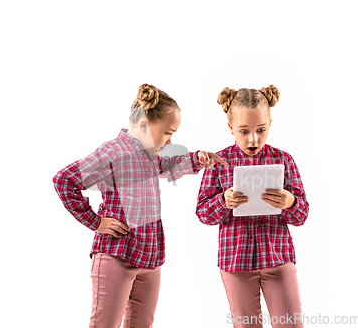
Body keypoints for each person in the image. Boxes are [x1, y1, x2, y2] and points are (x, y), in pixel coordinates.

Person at [53, 83, 228, 328]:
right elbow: (64, 180)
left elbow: (167, 165)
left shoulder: (148, 156)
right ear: (145, 124)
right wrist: (95, 222)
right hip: (116, 256)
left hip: (149, 257)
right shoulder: (112, 151)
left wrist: (195, 159)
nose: (169, 140)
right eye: (168, 132)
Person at [196, 85, 309, 328]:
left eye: (261, 130)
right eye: (244, 131)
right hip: (235, 261)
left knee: (290, 324)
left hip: (278, 257)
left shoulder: (283, 160)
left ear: (270, 123)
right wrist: (223, 201)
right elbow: (202, 213)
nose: (253, 139)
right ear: (231, 128)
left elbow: (302, 215)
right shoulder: (218, 163)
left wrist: (289, 202)